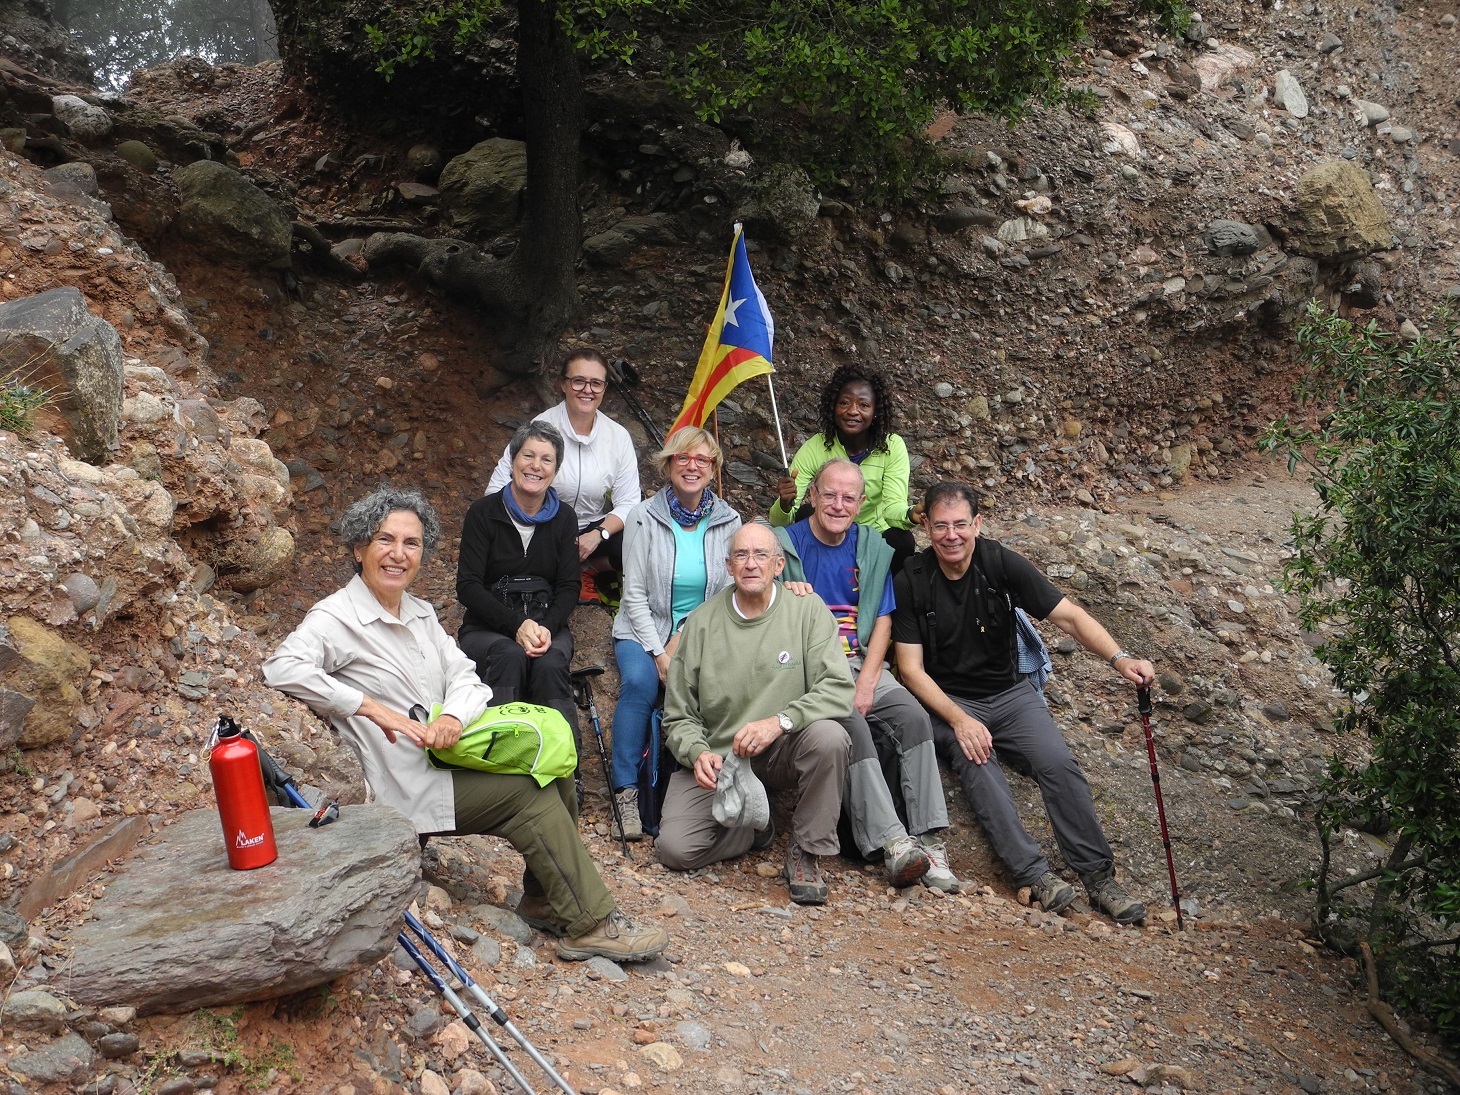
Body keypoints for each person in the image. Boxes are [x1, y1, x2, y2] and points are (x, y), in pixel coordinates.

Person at [262, 488, 668, 962]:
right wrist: (369, 707)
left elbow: (467, 678)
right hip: (405, 780)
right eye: (385, 540)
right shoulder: (336, 617)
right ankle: (592, 923)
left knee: (555, 770)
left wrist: (454, 715)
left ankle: (544, 900)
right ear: (358, 548)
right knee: (528, 794)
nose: (398, 554)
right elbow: (282, 667)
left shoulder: (419, 613)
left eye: (411, 543)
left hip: (447, 755)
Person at [892, 481, 1155, 924]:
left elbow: (1070, 616)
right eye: (940, 526)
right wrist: (959, 720)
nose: (951, 535)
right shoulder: (912, 580)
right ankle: (1033, 874)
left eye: (960, 524)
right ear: (926, 527)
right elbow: (911, 670)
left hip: (1010, 694)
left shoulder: (999, 563)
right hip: (949, 700)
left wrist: (1120, 658)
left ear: (977, 524)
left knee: (1058, 763)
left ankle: (1099, 879)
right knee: (977, 760)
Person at [774, 458, 959, 892]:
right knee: (852, 725)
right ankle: (893, 843)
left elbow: (882, 619)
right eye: (829, 495)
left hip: (862, 660)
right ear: (812, 496)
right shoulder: (785, 544)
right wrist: (780, 590)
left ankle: (929, 840)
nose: (838, 505)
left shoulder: (872, 546)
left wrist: (869, 680)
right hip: (810, 669)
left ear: (860, 503)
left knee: (913, 717)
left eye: (848, 498)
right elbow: (755, 591)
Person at [659, 523, 853, 905]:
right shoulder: (701, 623)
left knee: (831, 738)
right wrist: (697, 752)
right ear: (728, 566)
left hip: (781, 748)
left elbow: (837, 687)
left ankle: (806, 852)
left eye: (761, 555)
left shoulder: (807, 611)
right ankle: (752, 827)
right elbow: (678, 714)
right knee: (675, 850)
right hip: (721, 759)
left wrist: (779, 722)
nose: (751, 564)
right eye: (741, 555)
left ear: (778, 565)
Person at [609, 426, 741, 840]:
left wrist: (681, 636)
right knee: (640, 684)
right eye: (683, 457)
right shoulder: (642, 516)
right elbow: (632, 594)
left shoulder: (729, 520)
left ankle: (720, 789)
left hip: (701, 632)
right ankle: (626, 793)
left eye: (702, 459)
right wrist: (659, 652)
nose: (692, 466)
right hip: (640, 628)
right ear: (668, 464)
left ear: (713, 469)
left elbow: (726, 592)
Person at [458, 420, 580, 744]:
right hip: (487, 625)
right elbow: (468, 585)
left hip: (546, 622)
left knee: (550, 663)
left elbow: (569, 586)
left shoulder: (565, 518)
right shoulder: (483, 514)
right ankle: (501, 752)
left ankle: (563, 761)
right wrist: (516, 626)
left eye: (546, 459)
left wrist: (546, 628)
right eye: (528, 456)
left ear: (555, 469)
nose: (536, 466)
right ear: (513, 460)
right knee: (509, 655)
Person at [486, 347, 641, 601]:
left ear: (604, 388)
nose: (587, 390)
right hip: (544, 525)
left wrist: (598, 534)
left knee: (639, 540)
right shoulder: (540, 429)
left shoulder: (618, 437)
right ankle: (548, 576)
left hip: (592, 527)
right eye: (578, 381)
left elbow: (630, 502)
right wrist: (525, 524)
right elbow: (496, 489)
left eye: (596, 383)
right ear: (563, 384)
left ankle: (589, 569)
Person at [769, 365, 916, 572]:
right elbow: (780, 522)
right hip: (829, 529)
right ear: (833, 407)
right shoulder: (815, 447)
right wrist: (784, 504)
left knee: (902, 540)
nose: (853, 411)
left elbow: (893, 509)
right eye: (844, 403)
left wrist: (911, 514)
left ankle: (884, 591)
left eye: (863, 405)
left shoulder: (892, 446)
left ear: (875, 412)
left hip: (873, 534)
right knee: (805, 514)